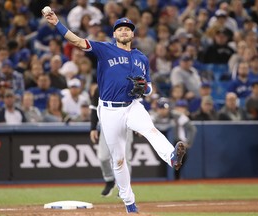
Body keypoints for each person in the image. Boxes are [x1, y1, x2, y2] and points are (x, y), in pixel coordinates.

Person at [43, 12, 186, 214]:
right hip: (109, 110)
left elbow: (150, 89)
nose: (124, 31)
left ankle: (172, 157)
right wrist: (57, 23)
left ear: (132, 35)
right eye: (120, 29)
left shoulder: (141, 58)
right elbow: (77, 41)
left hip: (132, 105)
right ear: (115, 33)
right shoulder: (104, 49)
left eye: (128, 29)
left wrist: (144, 88)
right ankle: (129, 204)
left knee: (151, 130)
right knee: (118, 160)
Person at [90, 86, 133, 197]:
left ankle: (124, 188)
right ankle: (109, 180)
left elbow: (137, 105)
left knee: (124, 158)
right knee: (103, 157)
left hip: (126, 125)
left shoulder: (128, 83)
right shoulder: (100, 87)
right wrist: (93, 128)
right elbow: (94, 108)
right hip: (107, 126)